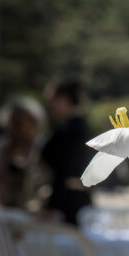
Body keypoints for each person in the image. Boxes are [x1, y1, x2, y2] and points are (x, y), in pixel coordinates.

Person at [41, 80, 93, 225]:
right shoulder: (68, 127)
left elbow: (66, 169)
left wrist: (52, 205)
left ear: (64, 100)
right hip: (69, 199)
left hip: (70, 203)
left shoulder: (73, 130)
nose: (49, 106)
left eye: (52, 100)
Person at [0, 97, 46, 210]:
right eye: (13, 122)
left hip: (29, 210)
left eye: (20, 123)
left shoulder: (42, 149)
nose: (15, 128)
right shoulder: (2, 147)